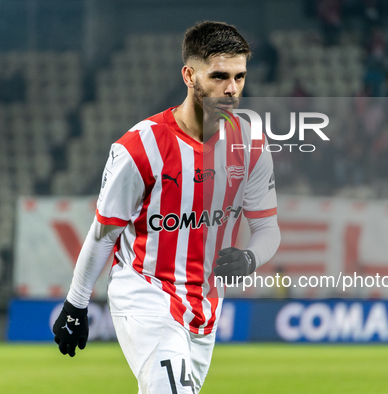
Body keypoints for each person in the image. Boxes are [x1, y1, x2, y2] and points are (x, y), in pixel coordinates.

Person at [52, 21, 281, 393]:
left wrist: (250, 258)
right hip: (145, 293)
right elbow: (104, 232)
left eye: (239, 77)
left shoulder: (251, 146)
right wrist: (76, 304)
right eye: (220, 76)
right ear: (189, 75)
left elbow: (268, 229)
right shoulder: (140, 147)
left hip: (206, 306)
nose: (232, 89)